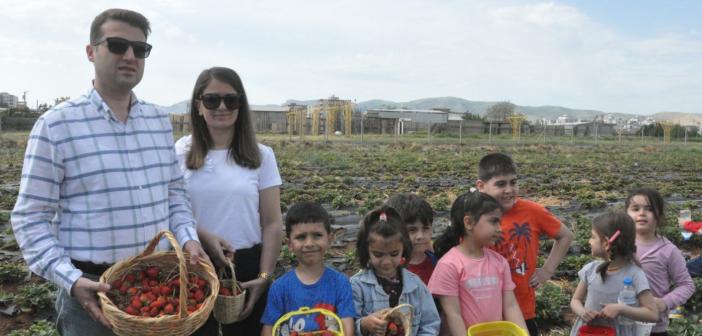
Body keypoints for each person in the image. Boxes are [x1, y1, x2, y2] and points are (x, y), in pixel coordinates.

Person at [10, 8, 208, 336]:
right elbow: (30, 219)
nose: (130, 55)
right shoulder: (57, 125)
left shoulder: (158, 121)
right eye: (117, 45)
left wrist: (188, 239)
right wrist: (72, 281)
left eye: (140, 49)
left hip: (156, 284)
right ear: (91, 51)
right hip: (91, 292)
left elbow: (174, 193)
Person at [175, 66, 284, 335]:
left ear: (241, 105)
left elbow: (272, 222)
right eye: (212, 99)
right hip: (194, 262)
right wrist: (201, 234)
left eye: (231, 99)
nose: (221, 106)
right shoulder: (181, 151)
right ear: (199, 105)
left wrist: (264, 276)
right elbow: (170, 210)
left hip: (246, 266)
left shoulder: (261, 156)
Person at [476, 153, 573, 336]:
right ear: (481, 186)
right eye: (501, 184)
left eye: (513, 182)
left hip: (522, 308)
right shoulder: (473, 215)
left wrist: (547, 271)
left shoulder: (532, 211)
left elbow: (565, 236)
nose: (509, 189)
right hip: (483, 308)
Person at [428, 191, 527, 335]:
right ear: (468, 222)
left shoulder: (500, 262)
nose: (499, 228)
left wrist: (523, 333)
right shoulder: (449, 265)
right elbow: (453, 314)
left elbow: (510, 306)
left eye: (500, 222)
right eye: (493, 221)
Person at [260, 202, 356, 336]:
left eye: (317, 235)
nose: (309, 243)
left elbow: (347, 329)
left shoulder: (341, 283)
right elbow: (269, 329)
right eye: (301, 237)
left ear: (329, 239)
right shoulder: (280, 287)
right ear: (290, 244)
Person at [351, 205, 440, 336]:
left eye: (394, 254)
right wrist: (364, 324)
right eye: (378, 254)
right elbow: (347, 325)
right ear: (366, 251)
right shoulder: (357, 286)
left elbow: (430, 324)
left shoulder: (416, 286)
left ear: (403, 249)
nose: (386, 262)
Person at [569, 211, 659, 336]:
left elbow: (652, 314)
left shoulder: (635, 274)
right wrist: (583, 312)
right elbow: (575, 300)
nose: (589, 241)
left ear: (606, 243)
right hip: (587, 331)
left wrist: (621, 309)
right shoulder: (591, 269)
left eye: (593, 237)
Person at [625, 188, 694, 335]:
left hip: (652, 327)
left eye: (649, 209)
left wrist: (665, 303)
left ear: (660, 216)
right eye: (635, 208)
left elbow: (687, 285)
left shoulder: (668, 251)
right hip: (621, 322)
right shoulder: (619, 244)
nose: (641, 213)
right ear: (626, 214)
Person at [385, 193, 437, 285]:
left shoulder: (436, 261)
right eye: (412, 230)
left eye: (425, 228)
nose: (420, 236)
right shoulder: (391, 269)